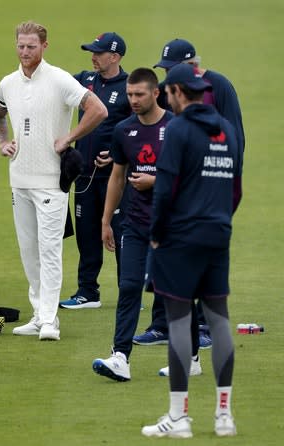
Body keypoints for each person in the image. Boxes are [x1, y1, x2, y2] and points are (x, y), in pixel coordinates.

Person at [140, 63, 242, 438]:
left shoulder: (179, 129)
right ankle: (224, 415)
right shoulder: (226, 129)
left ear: (180, 92)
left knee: (180, 322)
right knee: (219, 320)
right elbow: (236, 186)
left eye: (168, 92)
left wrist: (156, 235)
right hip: (218, 234)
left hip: (180, 238)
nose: (166, 97)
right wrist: (220, 220)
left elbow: (164, 188)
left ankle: (179, 417)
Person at [0, 21, 107, 341]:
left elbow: (97, 109)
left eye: (31, 46)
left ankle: (50, 319)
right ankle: (38, 312)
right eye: (20, 46)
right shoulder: (8, 83)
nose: (25, 51)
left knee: (50, 249)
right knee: (29, 250)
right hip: (19, 179)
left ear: (44, 46)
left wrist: (69, 137)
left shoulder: (59, 80)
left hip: (51, 181)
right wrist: (3, 142)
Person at [134, 38, 245, 353]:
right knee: (164, 258)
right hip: (175, 180)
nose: (168, 80)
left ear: (193, 66)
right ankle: (160, 326)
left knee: (198, 263)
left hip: (207, 189)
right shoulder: (175, 93)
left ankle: (203, 329)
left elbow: (235, 137)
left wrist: (224, 192)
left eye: (172, 71)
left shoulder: (219, 87)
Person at [91, 68, 174, 381]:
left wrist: (155, 180)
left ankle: (188, 355)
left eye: (140, 94)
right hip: (135, 223)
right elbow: (117, 176)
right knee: (128, 287)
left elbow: (189, 177)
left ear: (155, 93)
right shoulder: (124, 130)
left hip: (171, 225)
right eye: (129, 95)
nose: (134, 100)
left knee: (172, 290)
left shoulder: (176, 128)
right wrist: (106, 220)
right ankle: (120, 357)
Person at [59, 32, 131, 309]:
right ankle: (87, 292)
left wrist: (117, 154)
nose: (93, 57)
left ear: (114, 57)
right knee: (87, 234)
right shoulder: (84, 81)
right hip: (86, 176)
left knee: (122, 235)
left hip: (117, 178)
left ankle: (129, 293)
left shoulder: (129, 87)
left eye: (98, 53)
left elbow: (138, 128)